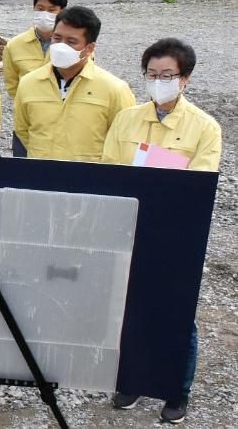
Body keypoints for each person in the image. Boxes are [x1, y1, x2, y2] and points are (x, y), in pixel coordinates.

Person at [103, 38, 220, 425]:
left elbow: (198, 186)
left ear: (184, 79)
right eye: (151, 75)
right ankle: (133, 379)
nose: (158, 82)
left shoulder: (205, 127)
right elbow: (110, 172)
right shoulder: (127, 119)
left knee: (177, 313)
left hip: (175, 233)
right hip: (128, 226)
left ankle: (175, 389)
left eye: (167, 75)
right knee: (129, 307)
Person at [14, 6, 136, 162]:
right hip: (42, 178)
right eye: (57, 38)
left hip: (90, 182)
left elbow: (125, 140)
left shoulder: (115, 89)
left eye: (71, 41)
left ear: (89, 48)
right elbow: (23, 131)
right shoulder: (29, 83)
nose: (61, 46)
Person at [3, 0, 67, 156]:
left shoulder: (72, 46)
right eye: (40, 8)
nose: (45, 14)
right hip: (29, 120)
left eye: (51, 10)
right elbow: (12, 84)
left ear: (62, 12)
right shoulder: (15, 45)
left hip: (64, 119)